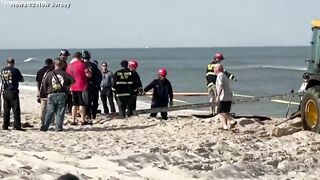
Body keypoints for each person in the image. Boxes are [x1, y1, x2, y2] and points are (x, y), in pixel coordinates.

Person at [40, 58, 74, 132]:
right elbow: (73, 81)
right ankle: (58, 127)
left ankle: (45, 127)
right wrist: (68, 87)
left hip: (51, 94)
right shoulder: (65, 74)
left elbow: (44, 84)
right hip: (62, 94)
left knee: (49, 111)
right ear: (61, 65)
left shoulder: (49, 74)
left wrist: (47, 92)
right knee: (60, 112)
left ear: (54, 64)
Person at [66, 52, 92, 125]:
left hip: (73, 86)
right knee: (82, 104)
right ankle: (83, 120)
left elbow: (67, 77)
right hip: (82, 86)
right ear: (80, 57)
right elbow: (88, 75)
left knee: (74, 104)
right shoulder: (82, 65)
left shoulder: (69, 66)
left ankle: (73, 120)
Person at [0, 58, 24, 130]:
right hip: (13, 91)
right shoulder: (15, 70)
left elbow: (2, 80)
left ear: (7, 62)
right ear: (13, 63)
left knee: (6, 110)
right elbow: (21, 79)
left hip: (5, 91)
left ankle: (5, 125)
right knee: (16, 109)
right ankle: (17, 125)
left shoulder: (2, 70)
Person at [214, 63, 236, 130]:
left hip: (223, 96)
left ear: (218, 69)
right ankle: (225, 126)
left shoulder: (220, 75)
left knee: (219, 111)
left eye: (214, 68)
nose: (213, 70)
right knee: (226, 111)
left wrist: (218, 96)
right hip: (228, 96)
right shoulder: (224, 75)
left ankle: (232, 120)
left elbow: (220, 85)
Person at [82, 50, 102, 120]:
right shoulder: (93, 65)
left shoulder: (81, 65)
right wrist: (98, 84)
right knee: (95, 101)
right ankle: (94, 114)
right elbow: (99, 76)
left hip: (85, 86)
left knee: (87, 102)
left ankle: (88, 115)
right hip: (94, 85)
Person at [36, 58, 54, 125]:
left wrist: (38, 92)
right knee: (51, 107)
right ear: (51, 64)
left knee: (43, 108)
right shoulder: (52, 72)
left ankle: (42, 121)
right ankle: (51, 121)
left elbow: (38, 83)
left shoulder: (39, 71)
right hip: (51, 91)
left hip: (42, 92)